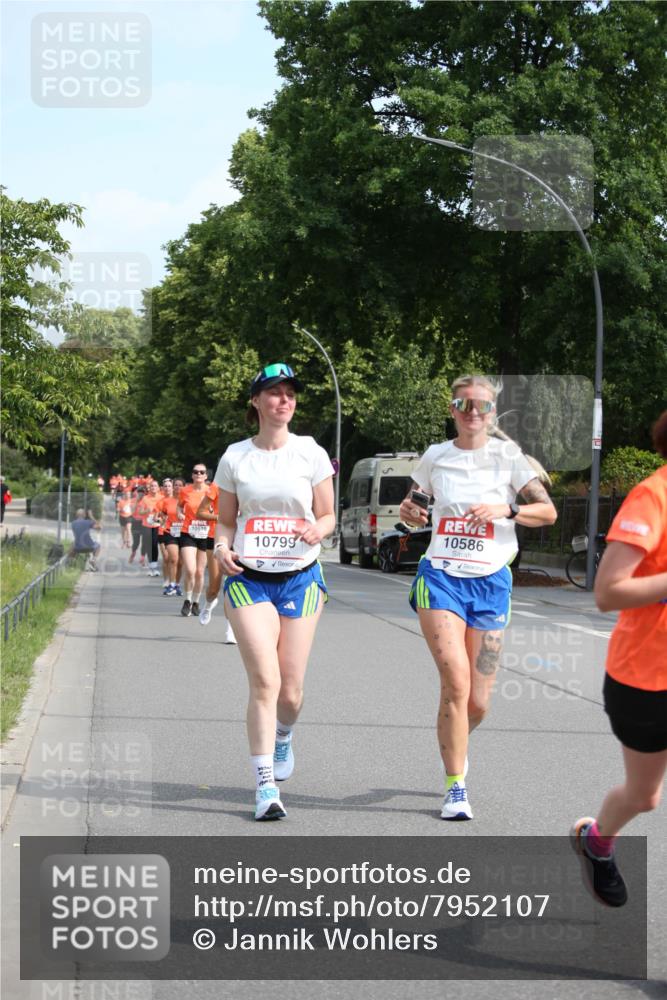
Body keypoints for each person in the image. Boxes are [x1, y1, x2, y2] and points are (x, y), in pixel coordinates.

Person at [399, 374, 557, 821]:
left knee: (479, 701)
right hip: (441, 579)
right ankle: (455, 787)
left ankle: (457, 744)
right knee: (456, 682)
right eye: (463, 404)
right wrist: (411, 514)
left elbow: (547, 512)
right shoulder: (435, 457)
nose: (472, 411)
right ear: (452, 409)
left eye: (481, 405)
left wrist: (507, 509)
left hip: (491, 584)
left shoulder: (508, 458)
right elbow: (412, 512)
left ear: (492, 412)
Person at [213, 362, 335, 821]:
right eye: (273, 393)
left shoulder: (311, 453)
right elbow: (225, 520)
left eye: (290, 393)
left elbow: (328, 516)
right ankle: (265, 787)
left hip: (301, 578)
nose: (284, 400)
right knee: (264, 681)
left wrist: (315, 531)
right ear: (256, 401)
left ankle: (284, 734)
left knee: (291, 691)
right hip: (248, 579)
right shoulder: (235, 457)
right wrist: (221, 547)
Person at [571, 410, 667, 907]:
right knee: (644, 797)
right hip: (646, 679)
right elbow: (609, 592)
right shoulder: (654, 497)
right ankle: (598, 842)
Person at [195, 480, 236, 642]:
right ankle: (209, 604)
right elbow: (201, 512)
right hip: (218, 538)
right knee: (214, 587)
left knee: (232, 586)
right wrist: (221, 517)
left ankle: (231, 629)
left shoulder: (253, 481)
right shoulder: (217, 485)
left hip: (241, 539)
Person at [178, 463, 215, 617]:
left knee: (200, 573)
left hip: (206, 534)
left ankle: (196, 602)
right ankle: (187, 599)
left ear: (206, 475)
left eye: (202, 472)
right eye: (196, 472)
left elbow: (220, 508)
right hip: (188, 532)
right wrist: (180, 514)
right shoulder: (185, 491)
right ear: (192, 475)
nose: (199, 474)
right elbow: (179, 507)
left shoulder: (212, 491)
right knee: (190, 569)